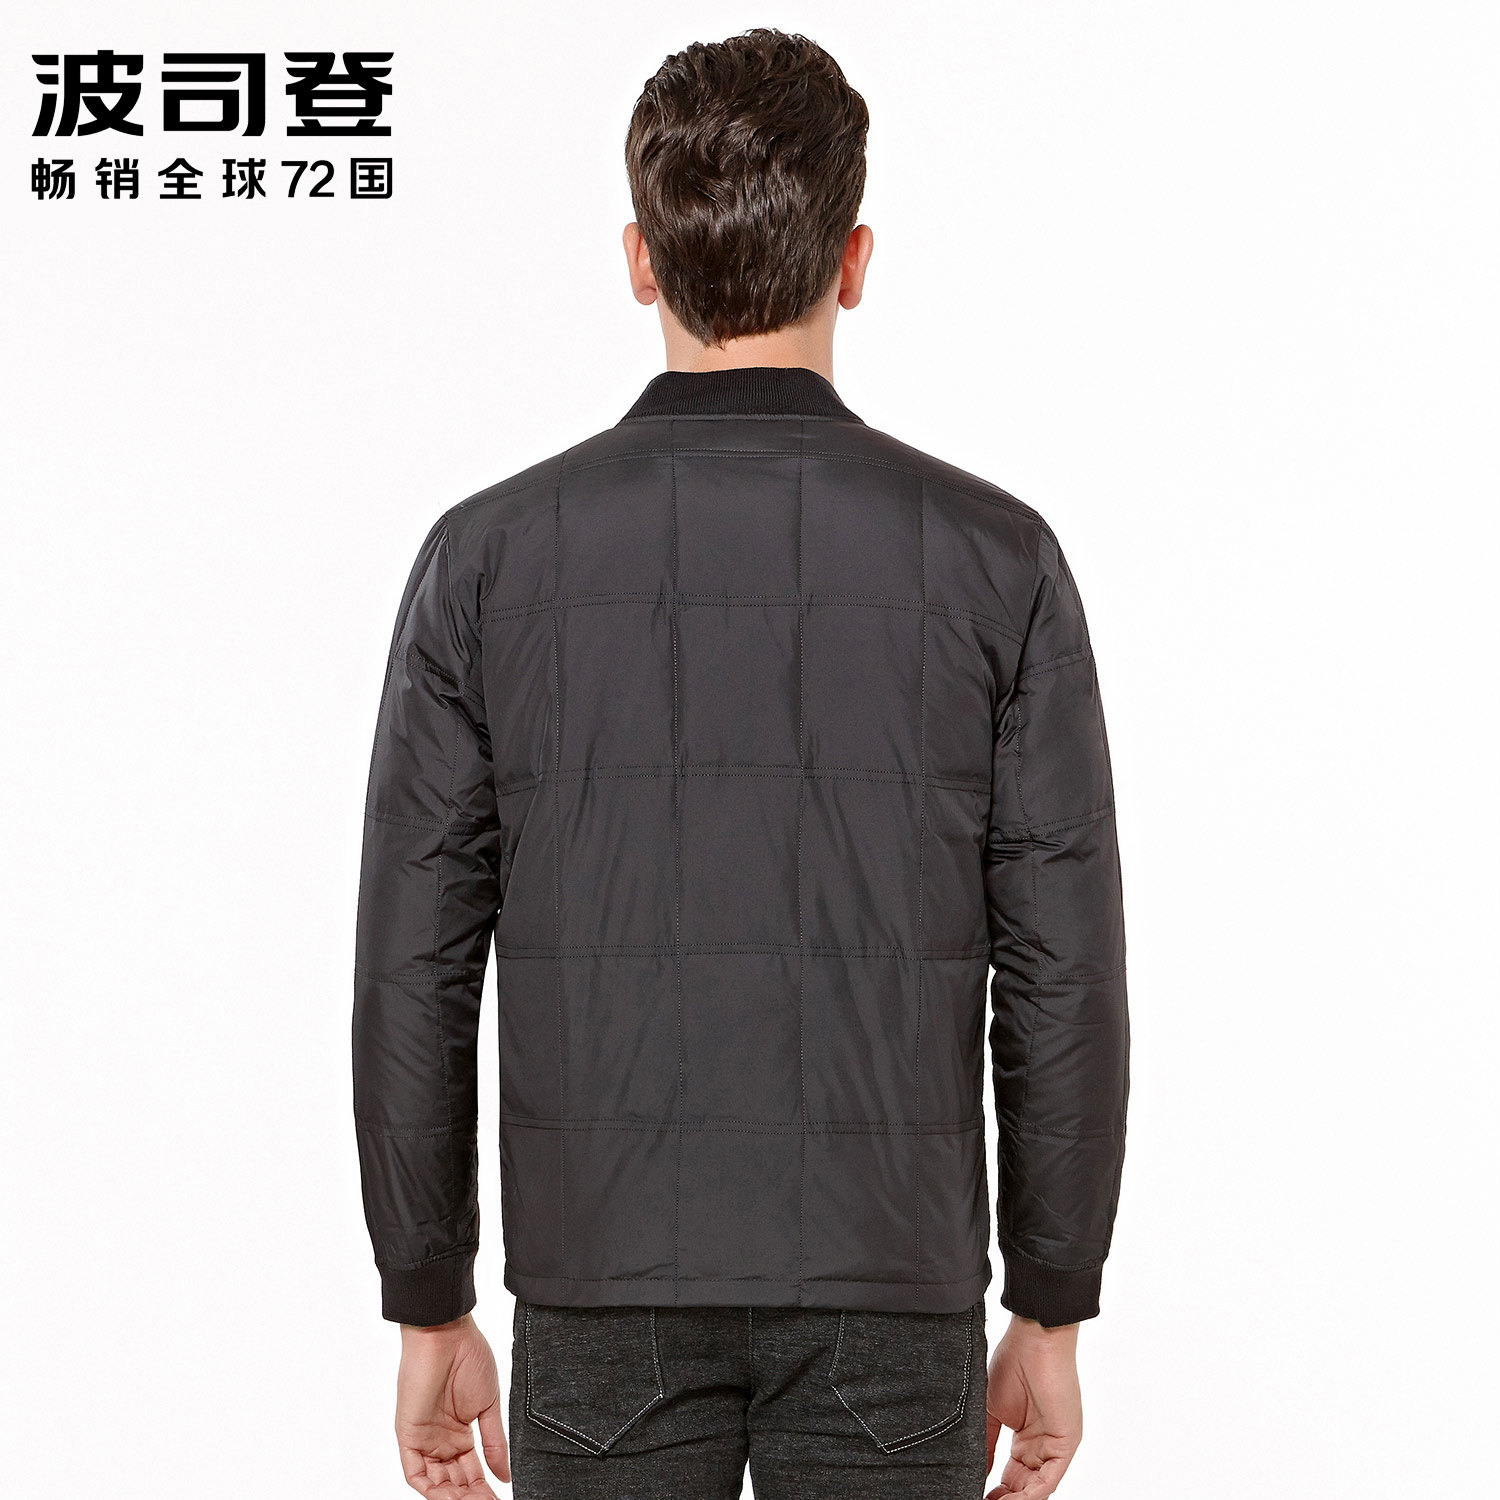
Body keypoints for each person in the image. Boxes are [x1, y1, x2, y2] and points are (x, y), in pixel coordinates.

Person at [352, 27, 1128, 1500]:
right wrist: (1052, 1298)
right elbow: (1063, 966)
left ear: (640, 261)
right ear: (856, 259)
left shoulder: (487, 561)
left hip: (600, 1286)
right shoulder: (998, 561)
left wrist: (427, 1296)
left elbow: (414, 964)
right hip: (894, 1286)